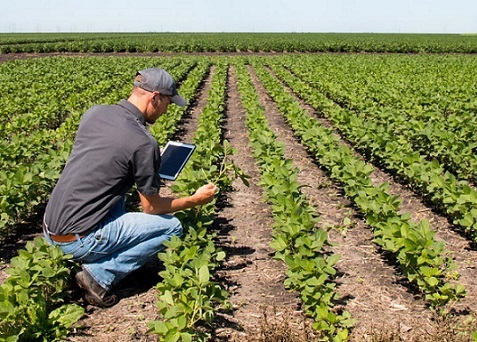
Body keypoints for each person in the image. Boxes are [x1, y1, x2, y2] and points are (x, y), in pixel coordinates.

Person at [43, 68, 218, 308]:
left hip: (50, 229)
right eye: (167, 102)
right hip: (77, 241)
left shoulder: (95, 113)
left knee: (117, 191)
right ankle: (99, 276)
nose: (167, 110)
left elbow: (107, 157)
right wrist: (195, 200)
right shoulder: (142, 142)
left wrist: (144, 162)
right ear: (155, 97)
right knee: (172, 228)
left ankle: (99, 250)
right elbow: (151, 208)